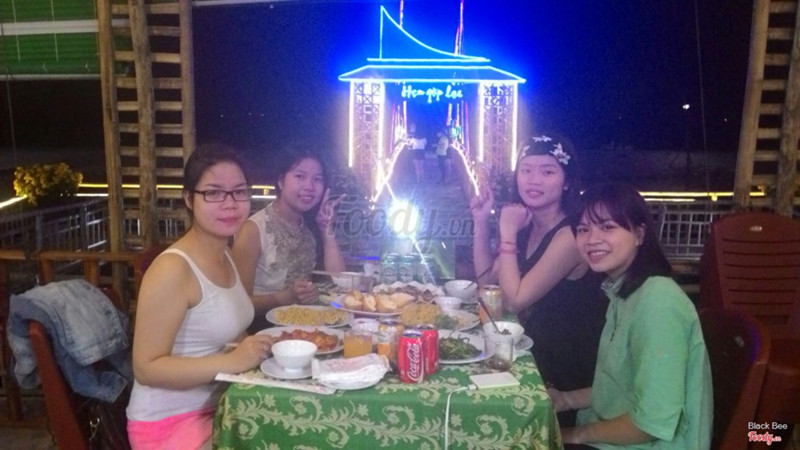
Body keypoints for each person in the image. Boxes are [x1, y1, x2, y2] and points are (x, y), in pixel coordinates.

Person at [127, 143, 274, 450]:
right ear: (188, 199)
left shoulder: (226, 254)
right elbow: (146, 368)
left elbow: (227, 333)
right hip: (169, 424)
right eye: (214, 193)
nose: (230, 203)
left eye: (239, 192)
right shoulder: (173, 269)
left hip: (222, 405)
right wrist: (232, 361)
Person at [549, 183, 712, 449]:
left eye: (607, 227)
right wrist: (566, 400)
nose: (591, 239)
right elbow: (621, 388)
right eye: (583, 229)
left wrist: (575, 435)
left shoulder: (658, 302)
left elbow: (652, 422)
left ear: (639, 234)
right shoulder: (623, 293)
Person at [470, 134, 608, 426]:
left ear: (566, 182)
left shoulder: (571, 235)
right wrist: (481, 222)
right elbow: (488, 287)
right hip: (530, 356)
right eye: (527, 170)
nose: (534, 180)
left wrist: (507, 233)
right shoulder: (527, 224)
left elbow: (516, 300)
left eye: (547, 172)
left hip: (563, 376)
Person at [232, 143, 345, 332]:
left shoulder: (310, 226)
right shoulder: (253, 230)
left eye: (317, 179)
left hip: (307, 330)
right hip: (262, 334)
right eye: (300, 176)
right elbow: (236, 305)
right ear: (281, 181)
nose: (309, 186)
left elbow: (341, 282)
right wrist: (285, 297)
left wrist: (327, 232)